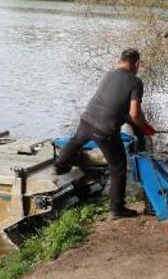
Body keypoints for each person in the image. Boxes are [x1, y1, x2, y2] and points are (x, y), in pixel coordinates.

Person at [55, 48, 155, 219]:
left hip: (87, 120)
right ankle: (117, 209)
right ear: (137, 64)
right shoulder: (135, 82)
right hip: (105, 130)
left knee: (76, 140)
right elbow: (134, 113)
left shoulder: (109, 75)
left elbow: (116, 105)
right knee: (118, 168)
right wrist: (144, 127)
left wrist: (137, 125)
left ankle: (59, 165)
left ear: (119, 61)